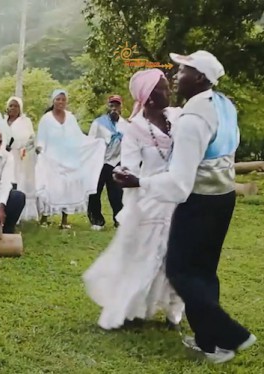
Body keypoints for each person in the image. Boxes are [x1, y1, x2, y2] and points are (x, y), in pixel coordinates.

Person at [114, 51, 256, 363]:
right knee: (204, 272)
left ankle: (232, 334)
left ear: (201, 78)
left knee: (179, 271)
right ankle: (210, 344)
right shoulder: (223, 105)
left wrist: (140, 182)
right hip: (224, 197)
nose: (177, 76)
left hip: (199, 202)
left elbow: (180, 184)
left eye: (183, 71)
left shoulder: (191, 120)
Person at [83, 69, 184, 331]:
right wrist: (123, 175)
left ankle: (174, 311)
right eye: (162, 87)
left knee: (177, 254)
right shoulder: (135, 128)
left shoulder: (179, 117)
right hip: (149, 200)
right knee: (145, 256)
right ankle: (132, 308)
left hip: (179, 197)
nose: (169, 90)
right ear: (149, 98)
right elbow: (128, 166)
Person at [35, 89, 106, 229]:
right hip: (51, 158)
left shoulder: (70, 118)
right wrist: (40, 148)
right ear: (53, 101)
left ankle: (64, 220)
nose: (60, 102)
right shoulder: (47, 118)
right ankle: (45, 217)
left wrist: (94, 143)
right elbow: (41, 137)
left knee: (67, 187)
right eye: (58, 99)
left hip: (69, 158)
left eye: (63, 99)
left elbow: (78, 137)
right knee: (51, 187)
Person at [87, 95, 129, 230]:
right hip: (99, 161)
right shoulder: (99, 123)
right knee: (95, 191)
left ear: (121, 108)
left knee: (116, 192)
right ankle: (96, 220)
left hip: (116, 162)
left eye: (117, 106)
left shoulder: (125, 125)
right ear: (108, 107)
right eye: (112, 105)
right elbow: (90, 141)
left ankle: (119, 219)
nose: (114, 108)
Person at [4, 96, 37, 221]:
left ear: (20, 108)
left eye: (16, 106)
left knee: (18, 182)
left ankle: (18, 214)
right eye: (11, 105)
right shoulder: (2, 121)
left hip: (20, 157)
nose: (13, 108)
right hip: (5, 156)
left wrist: (23, 147)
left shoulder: (25, 122)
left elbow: (31, 139)